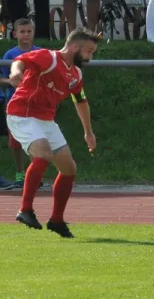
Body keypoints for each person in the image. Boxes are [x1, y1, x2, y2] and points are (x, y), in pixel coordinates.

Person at [6, 28, 99, 238]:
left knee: (69, 168)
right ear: (75, 47)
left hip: (46, 120)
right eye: (89, 51)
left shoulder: (76, 73)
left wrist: (88, 132)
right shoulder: (49, 57)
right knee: (44, 154)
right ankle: (25, 209)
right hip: (23, 114)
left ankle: (56, 220)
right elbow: (20, 61)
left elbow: (81, 101)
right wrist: (15, 72)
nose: (90, 57)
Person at [1, 19, 40, 188]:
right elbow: (2, 77)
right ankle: (19, 175)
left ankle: (34, 175)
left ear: (33, 33)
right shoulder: (9, 55)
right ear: (15, 33)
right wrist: (11, 81)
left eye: (29, 31)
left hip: (37, 102)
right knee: (15, 141)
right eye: (22, 31)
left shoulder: (40, 53)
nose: (26, 35)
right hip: (15, 102)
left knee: (36, 138)